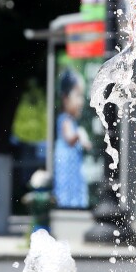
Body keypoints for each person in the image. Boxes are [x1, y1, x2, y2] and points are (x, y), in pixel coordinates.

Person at [54, 71, 92, 208]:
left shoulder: (71, 121)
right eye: (77, 96)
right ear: (65, 98)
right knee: (68, 195)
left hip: (73, 169)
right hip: (67, 172)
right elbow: (70, 138)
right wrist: (80, 134)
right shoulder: (65, 120)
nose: (81, 101)